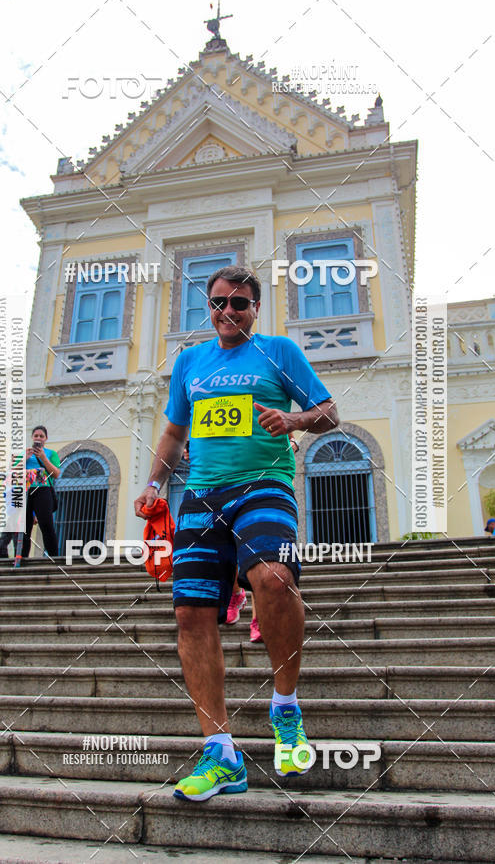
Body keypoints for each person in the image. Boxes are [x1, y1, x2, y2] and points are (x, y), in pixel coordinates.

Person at [134, 265, 339, 802]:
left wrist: (293, 422)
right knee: (191, 614)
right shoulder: (189, 361)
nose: (229, 311)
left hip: (263, 485)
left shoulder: (279, 351)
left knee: (273, 578)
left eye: (240, 303)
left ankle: (285, 707)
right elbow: (175, 431)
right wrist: (155, 482)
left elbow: (329, 413)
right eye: (219, 302)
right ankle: (221, 755)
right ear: (210, 306)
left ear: (255, 308)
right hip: (202, 495)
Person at [226, 434, 300, 643]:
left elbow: (292, 439)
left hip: (268, 489)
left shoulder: (269, 404)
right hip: (231, 482)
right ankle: (236, 595)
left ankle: (259, 619)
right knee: (230, 548)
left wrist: (290, 446)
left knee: (261, 556)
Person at [20, 426, 60, 561]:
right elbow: (12, 472)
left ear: (46, 439)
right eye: (36, 436)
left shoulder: (51, 453)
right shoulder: (24, 453)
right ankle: (21, 557)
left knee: (46, 524)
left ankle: (55, 557)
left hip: (43, 490)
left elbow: (56, 474)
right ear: (32, 437)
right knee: (24, 526)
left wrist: (43, 457)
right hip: (26, 491)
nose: (38, 438)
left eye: (41, 436)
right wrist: (24, 458)